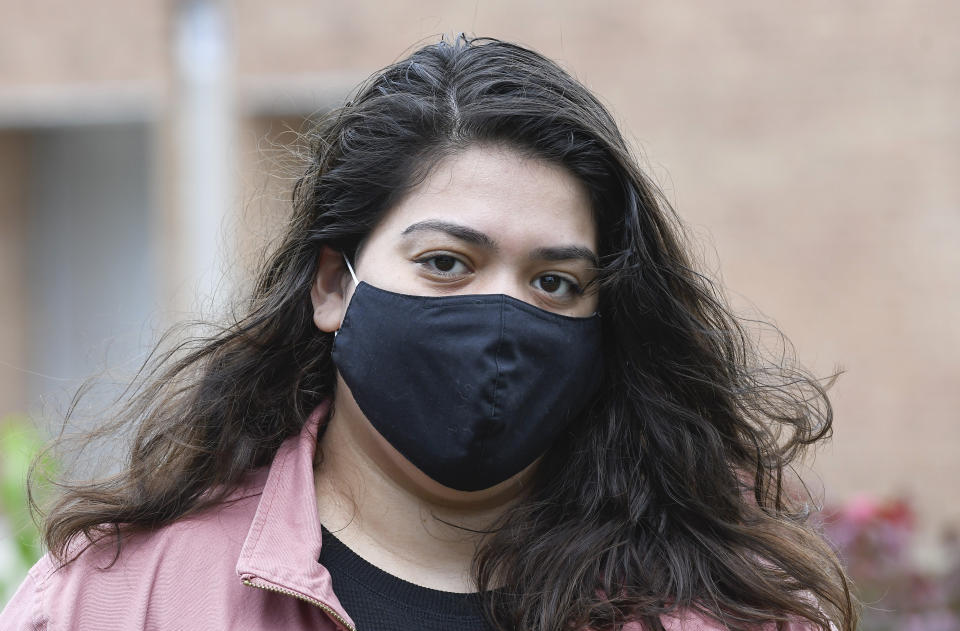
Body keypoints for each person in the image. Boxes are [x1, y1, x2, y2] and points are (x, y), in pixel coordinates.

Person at [1, 35, 856, 630]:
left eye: (555, 282)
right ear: (334, 284)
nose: (499, 316)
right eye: (447, 263)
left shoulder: (735, 612)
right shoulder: (119, 599)